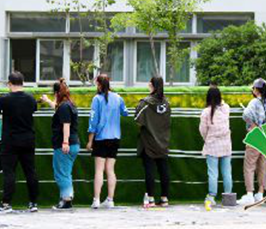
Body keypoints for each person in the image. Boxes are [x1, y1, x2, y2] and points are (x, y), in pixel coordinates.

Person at [0, 71, 39, 213]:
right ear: (23, 83)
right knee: (30, 171)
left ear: (9, 84)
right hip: (28, 139)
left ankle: (6, 204)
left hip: (10, 141)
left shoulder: (4, 99)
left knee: (9, 172)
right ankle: (33, 203)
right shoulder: (30, 98)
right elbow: (34, 109)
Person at [86, 74, 129, 209]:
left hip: (101, 138)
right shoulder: (118, 97)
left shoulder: (96, 99)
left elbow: (93, 121)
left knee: (99, 170)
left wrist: (90, 141)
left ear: (99, 84)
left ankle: (96, 200)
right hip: (115, 137)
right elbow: (125, 112)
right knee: (110, 170)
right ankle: (110, 200)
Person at [40, 78, 80, 210]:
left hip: (65, 144)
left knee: (61, 173)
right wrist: (47, 101)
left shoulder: (63, 107)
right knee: (66, 172)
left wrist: (65, 142)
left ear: (57, 93)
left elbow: (66, 125)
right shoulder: (69, 105)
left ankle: (66, 199)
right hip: (73, 144)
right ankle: (67, 198)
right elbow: (57, 109)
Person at [135, 76, 172, 208]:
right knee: (164, 170)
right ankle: (164, 198)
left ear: (152, 85)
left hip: (149, 141)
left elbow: (137, 119)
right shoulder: (167, 103)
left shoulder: (145, 103)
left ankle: (150, 199)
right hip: (164, 141)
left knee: (150, 170)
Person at [238, 78, 266, 205]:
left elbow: (246, 115)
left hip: (255, 135)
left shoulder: (254, 102)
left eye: (253, 88)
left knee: (249, 165)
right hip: (265, 136)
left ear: (257, 90)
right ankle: (260, 194)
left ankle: (249, 194)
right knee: (262, 166)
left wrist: (253, 125)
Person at [199, 86, 232, 209]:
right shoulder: (226, 108)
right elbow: (223, 104)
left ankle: (212, 197)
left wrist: (207, 138)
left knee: (213, 173)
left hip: (212, 145)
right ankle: (228, 196)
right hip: (226, 145)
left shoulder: (206, 112)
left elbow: (202, 130)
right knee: (227, 172)